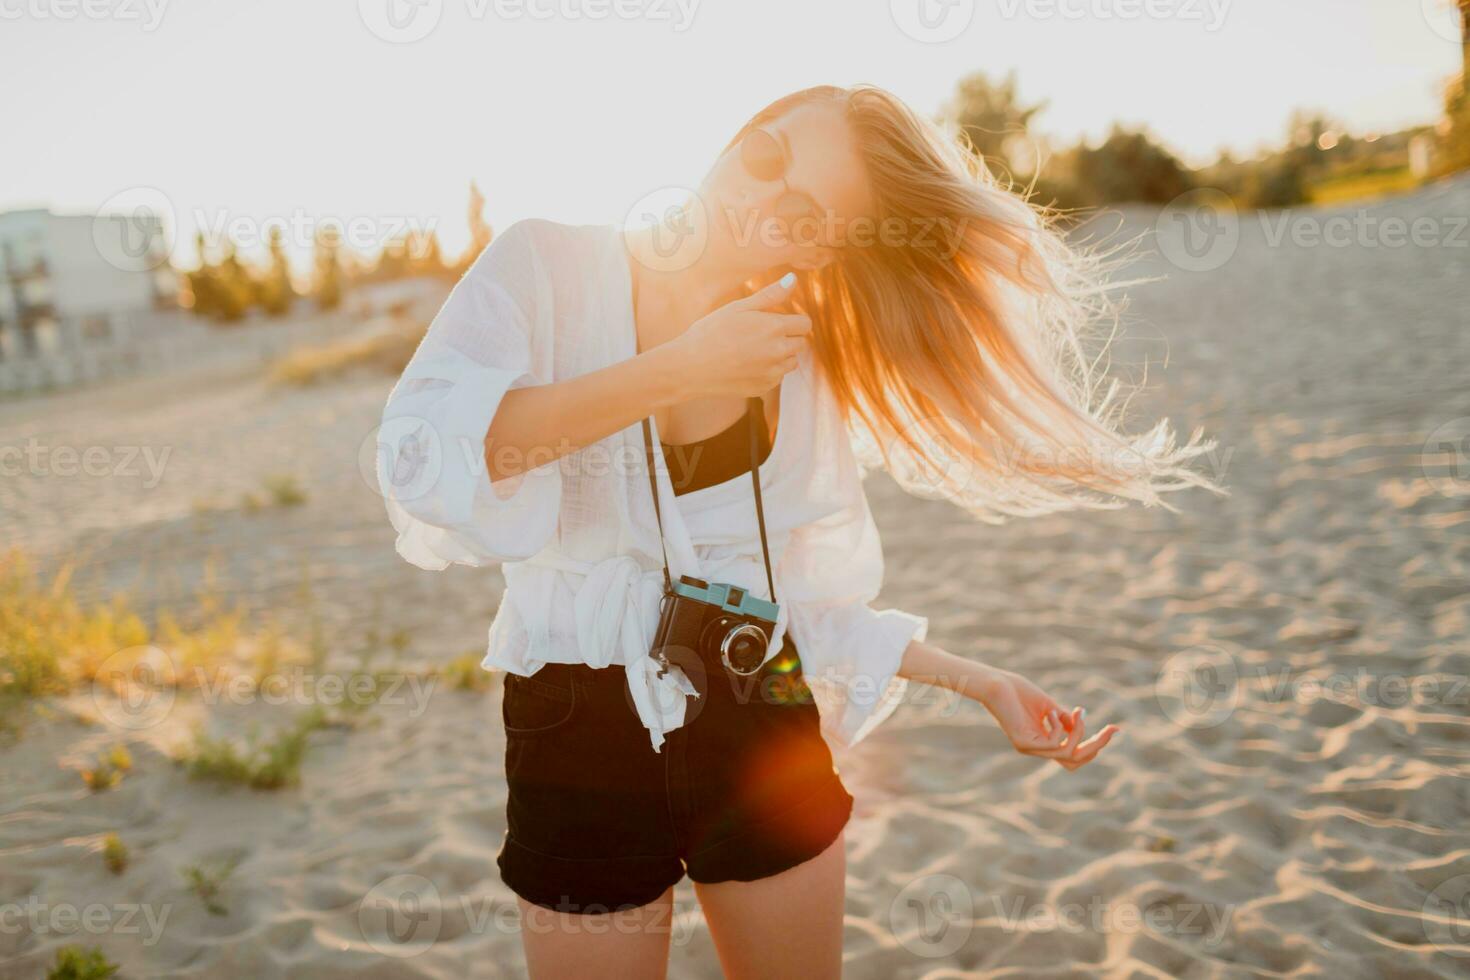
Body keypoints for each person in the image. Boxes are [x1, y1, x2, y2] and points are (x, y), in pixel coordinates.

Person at [377, 83, 1217, 979]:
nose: (756, 198)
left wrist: (984, 684)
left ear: (822, 247)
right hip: (576, 730)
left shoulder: (798, 359)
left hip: (759, 725)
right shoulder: (546, 266)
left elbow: (801, 609)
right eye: (768, 155)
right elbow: (426, 459)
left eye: (802, 213)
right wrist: (679, 368)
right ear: (745, 130)